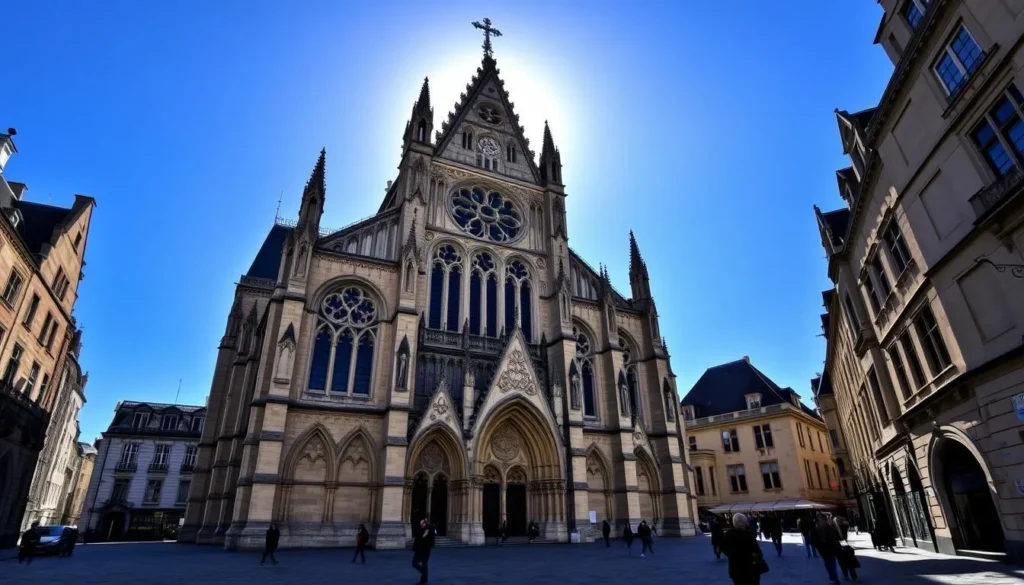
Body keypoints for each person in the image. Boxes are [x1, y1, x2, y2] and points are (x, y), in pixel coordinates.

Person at [722, 513, 766, 585]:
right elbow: (758, 552)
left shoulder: (728, 535)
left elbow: (725, 550)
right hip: (750, 569)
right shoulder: (749, 535)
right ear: (745, 523)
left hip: (735, 569)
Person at [815, 515, 843, 585]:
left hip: (826, 549)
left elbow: (820, 539)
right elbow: (836, 537)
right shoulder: (828, 526)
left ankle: (834, 578)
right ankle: (834, 578)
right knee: (831, 564)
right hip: (829, 548)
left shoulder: (821, 527)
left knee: (829, 564)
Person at [411, 519, 435, 584]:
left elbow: (431, 542)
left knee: (424, 564)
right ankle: (424, 574)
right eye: (420, 523)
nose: (421, 524)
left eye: (423, 523)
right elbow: (417, 540)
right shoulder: (419, 530)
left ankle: (424, 580)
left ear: (425, 523)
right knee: (414, 563)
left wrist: (426, 535)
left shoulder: (429, 531)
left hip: (426, 551)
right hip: (418, 550)